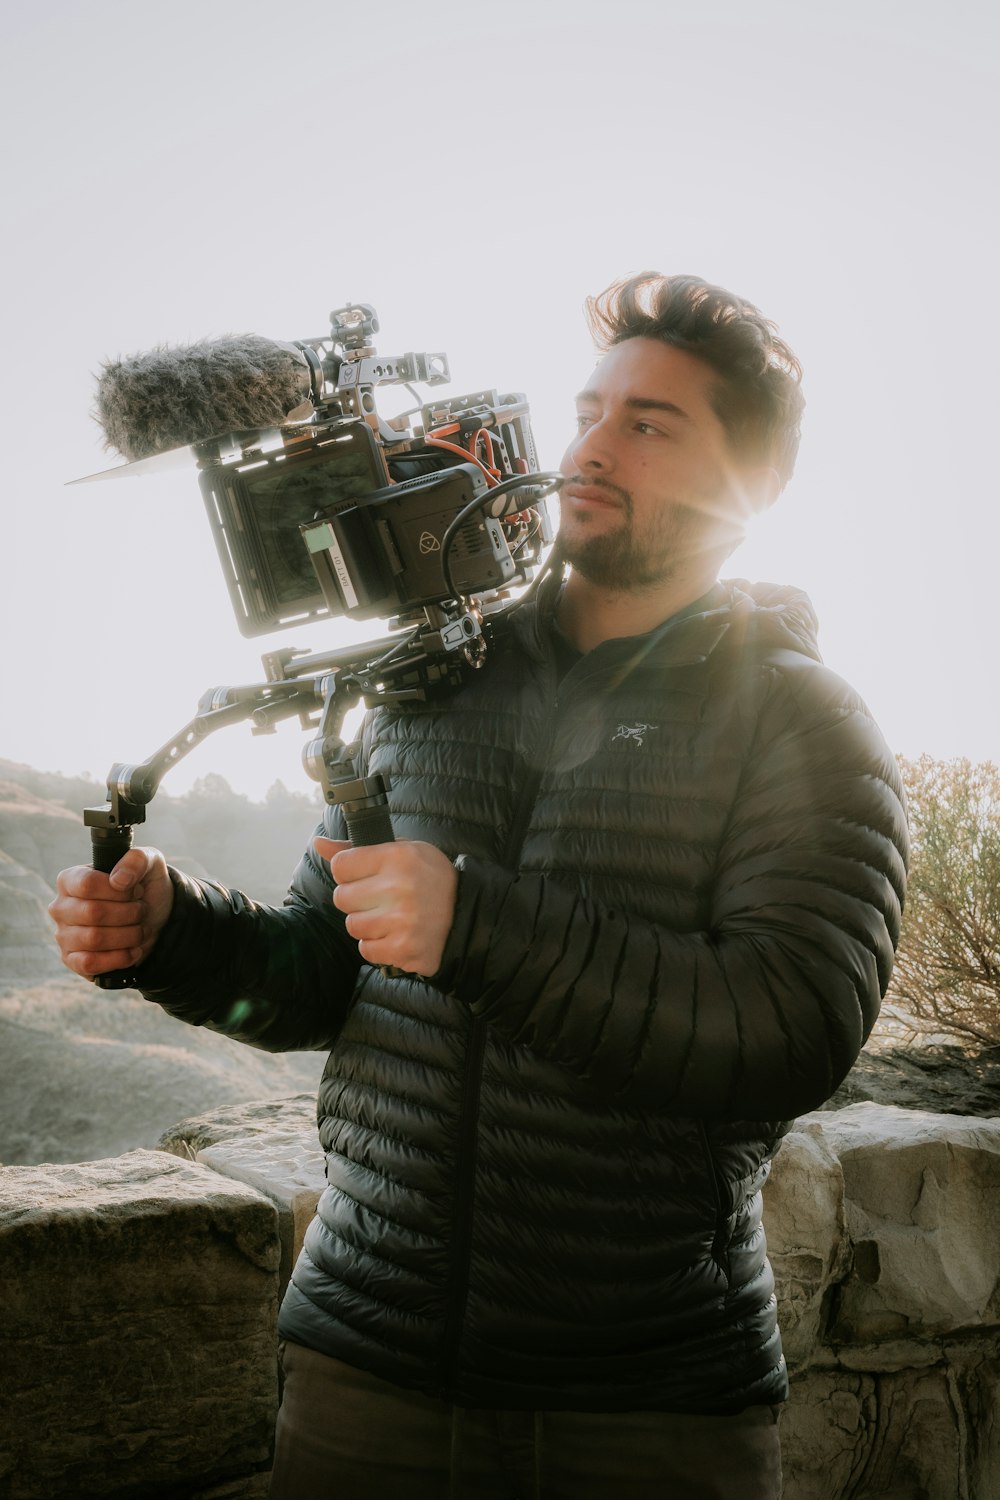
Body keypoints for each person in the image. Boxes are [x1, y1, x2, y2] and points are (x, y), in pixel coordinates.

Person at [49, 271, 909, 1500]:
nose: (591, 448)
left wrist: (478, 925)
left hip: (647, 1408)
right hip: (363, 1375)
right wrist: (171, 931)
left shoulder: (802, 720)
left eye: (649, 423)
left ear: (751, 484)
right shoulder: (427, 679)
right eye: (588, 410)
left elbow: (786, 1029)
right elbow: (320, 970)